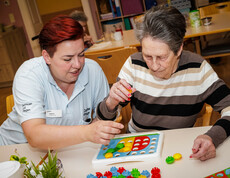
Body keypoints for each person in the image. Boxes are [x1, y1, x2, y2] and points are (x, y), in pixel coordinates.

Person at [96, 6, 230, 161]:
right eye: (147, 56)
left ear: (179, 49)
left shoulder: (198, 69)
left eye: (161, 57)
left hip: (178, 147)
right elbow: (102, 121)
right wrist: (111, 103)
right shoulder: (134, 64)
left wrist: (212, 137)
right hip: (137, 145)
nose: (153, 65)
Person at [0, 15, 123, 149]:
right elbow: (34, 136)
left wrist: (110, 106)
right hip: (14, 151)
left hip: (68, 149)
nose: (77, 64)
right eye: (67, 59)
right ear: (47, 57)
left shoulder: (93, 70)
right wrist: (87, 132)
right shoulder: (29, 74)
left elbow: (98, 126)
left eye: (81, 54)